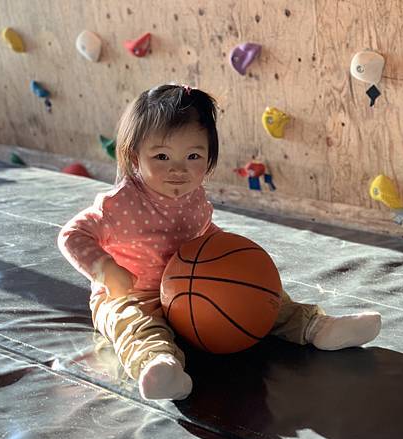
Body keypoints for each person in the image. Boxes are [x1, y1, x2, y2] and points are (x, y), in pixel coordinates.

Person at [58, 84, 382, 401]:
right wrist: (105, 270)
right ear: (134, 157)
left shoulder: (194, 197)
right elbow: (72, 235)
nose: (178, 169)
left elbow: (203, 233)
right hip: (133, 294)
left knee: (261, 297)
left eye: (193, 156)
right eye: (161, 156)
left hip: (193, 288)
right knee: (134, 326)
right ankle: (159, 367)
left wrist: (231, 257)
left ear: (210, 158)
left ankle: (317, 327)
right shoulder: (120, 204)